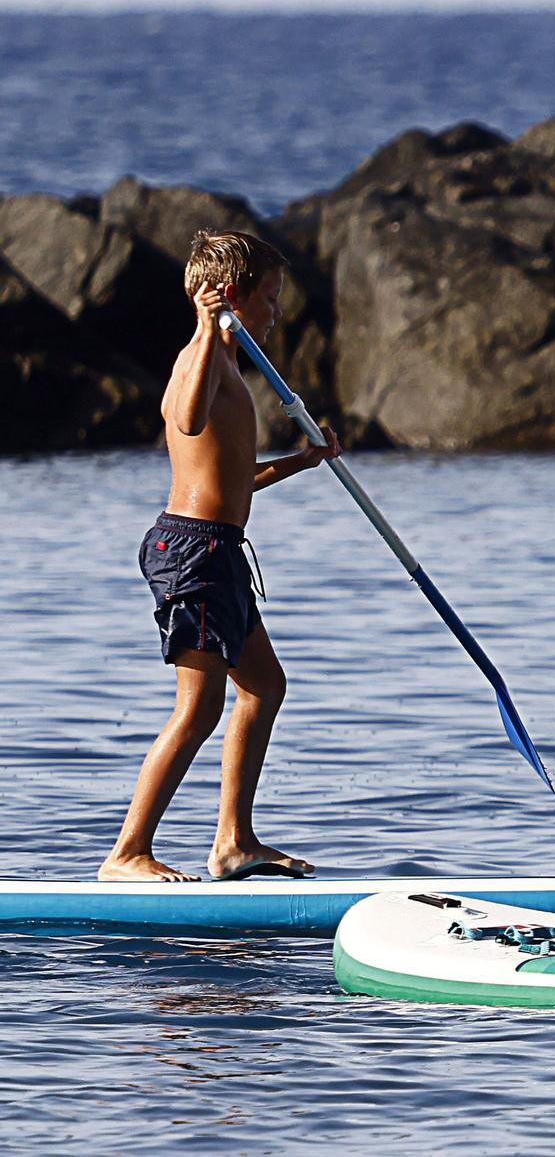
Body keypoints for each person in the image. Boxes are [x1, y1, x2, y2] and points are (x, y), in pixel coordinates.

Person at [98, 231, 341, 883]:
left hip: (221, 553)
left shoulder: (231, 366)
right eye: (268, 298)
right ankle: (127, 854)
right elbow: (181, 418)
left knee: (265, 687)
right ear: (231, 296)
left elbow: (233, 478)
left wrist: (305, 460)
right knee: (200, 706)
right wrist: (208, 329)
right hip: (191, 553)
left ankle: (234, 841)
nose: (276, 312)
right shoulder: (199, 361)